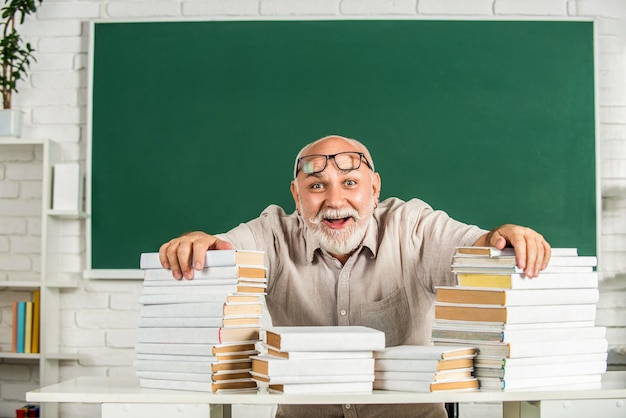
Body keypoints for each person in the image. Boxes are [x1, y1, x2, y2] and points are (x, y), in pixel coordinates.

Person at [159, 134, 551, 418]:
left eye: (350, 183)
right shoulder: (273, 232)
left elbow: (474, 246)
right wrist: (200, 242)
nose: (334, 200)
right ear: (296, 196)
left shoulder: (412, 226)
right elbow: (224, 249)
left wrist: (505, 236)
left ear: (374, 189)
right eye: (316, 186)